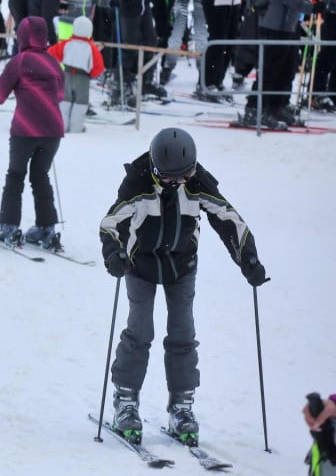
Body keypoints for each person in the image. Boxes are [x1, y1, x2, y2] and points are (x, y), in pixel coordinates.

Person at [100, 127, 267, 446]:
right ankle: (125, 400)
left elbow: (229, 220)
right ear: (155, 169)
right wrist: (114, 254)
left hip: (181, 267)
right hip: (141, 266)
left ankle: (182, 406)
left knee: (182, 334)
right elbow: (110, 224)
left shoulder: (198, 182)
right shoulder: (137, 183)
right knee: (140, 331)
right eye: (170, 177)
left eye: (185, 174)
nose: (179, 182)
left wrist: (249, 260)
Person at [0, 16, 64, 246]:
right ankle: (46, 227)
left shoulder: (19, 61)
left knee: (15, 176)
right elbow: (61, 94)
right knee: (40, 176)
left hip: (25, 130)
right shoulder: (53, 63)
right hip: (53, 131)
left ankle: (8, 226)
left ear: (23, 36)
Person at [241, 0, 320, 129]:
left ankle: (278, 106)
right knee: (270, 70)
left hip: (287, 25)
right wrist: (313, 7)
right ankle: (256, 109)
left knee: (287, 69)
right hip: (276, 25)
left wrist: (309, 3)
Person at [47, 16, 104, 132]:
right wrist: (90, 75)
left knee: (64, 101)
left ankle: (62, 126)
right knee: (80, 103)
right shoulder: (92, 48)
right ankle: (76, 128)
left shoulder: (66, 44)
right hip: (83, 78)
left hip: (66, 74)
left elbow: (51, 53)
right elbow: (99, 67)